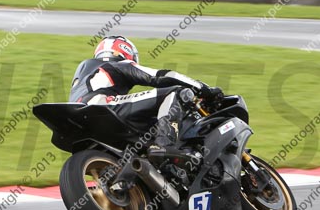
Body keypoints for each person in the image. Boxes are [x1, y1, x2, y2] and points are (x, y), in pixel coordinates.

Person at [69, 35, 221, 162]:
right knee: (175, 93)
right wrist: (204, 88)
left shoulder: (85, 71)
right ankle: (165, 145)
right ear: (125, 52)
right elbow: (159, 76)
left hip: (79, 118)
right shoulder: (117, 64)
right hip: (102, 106)